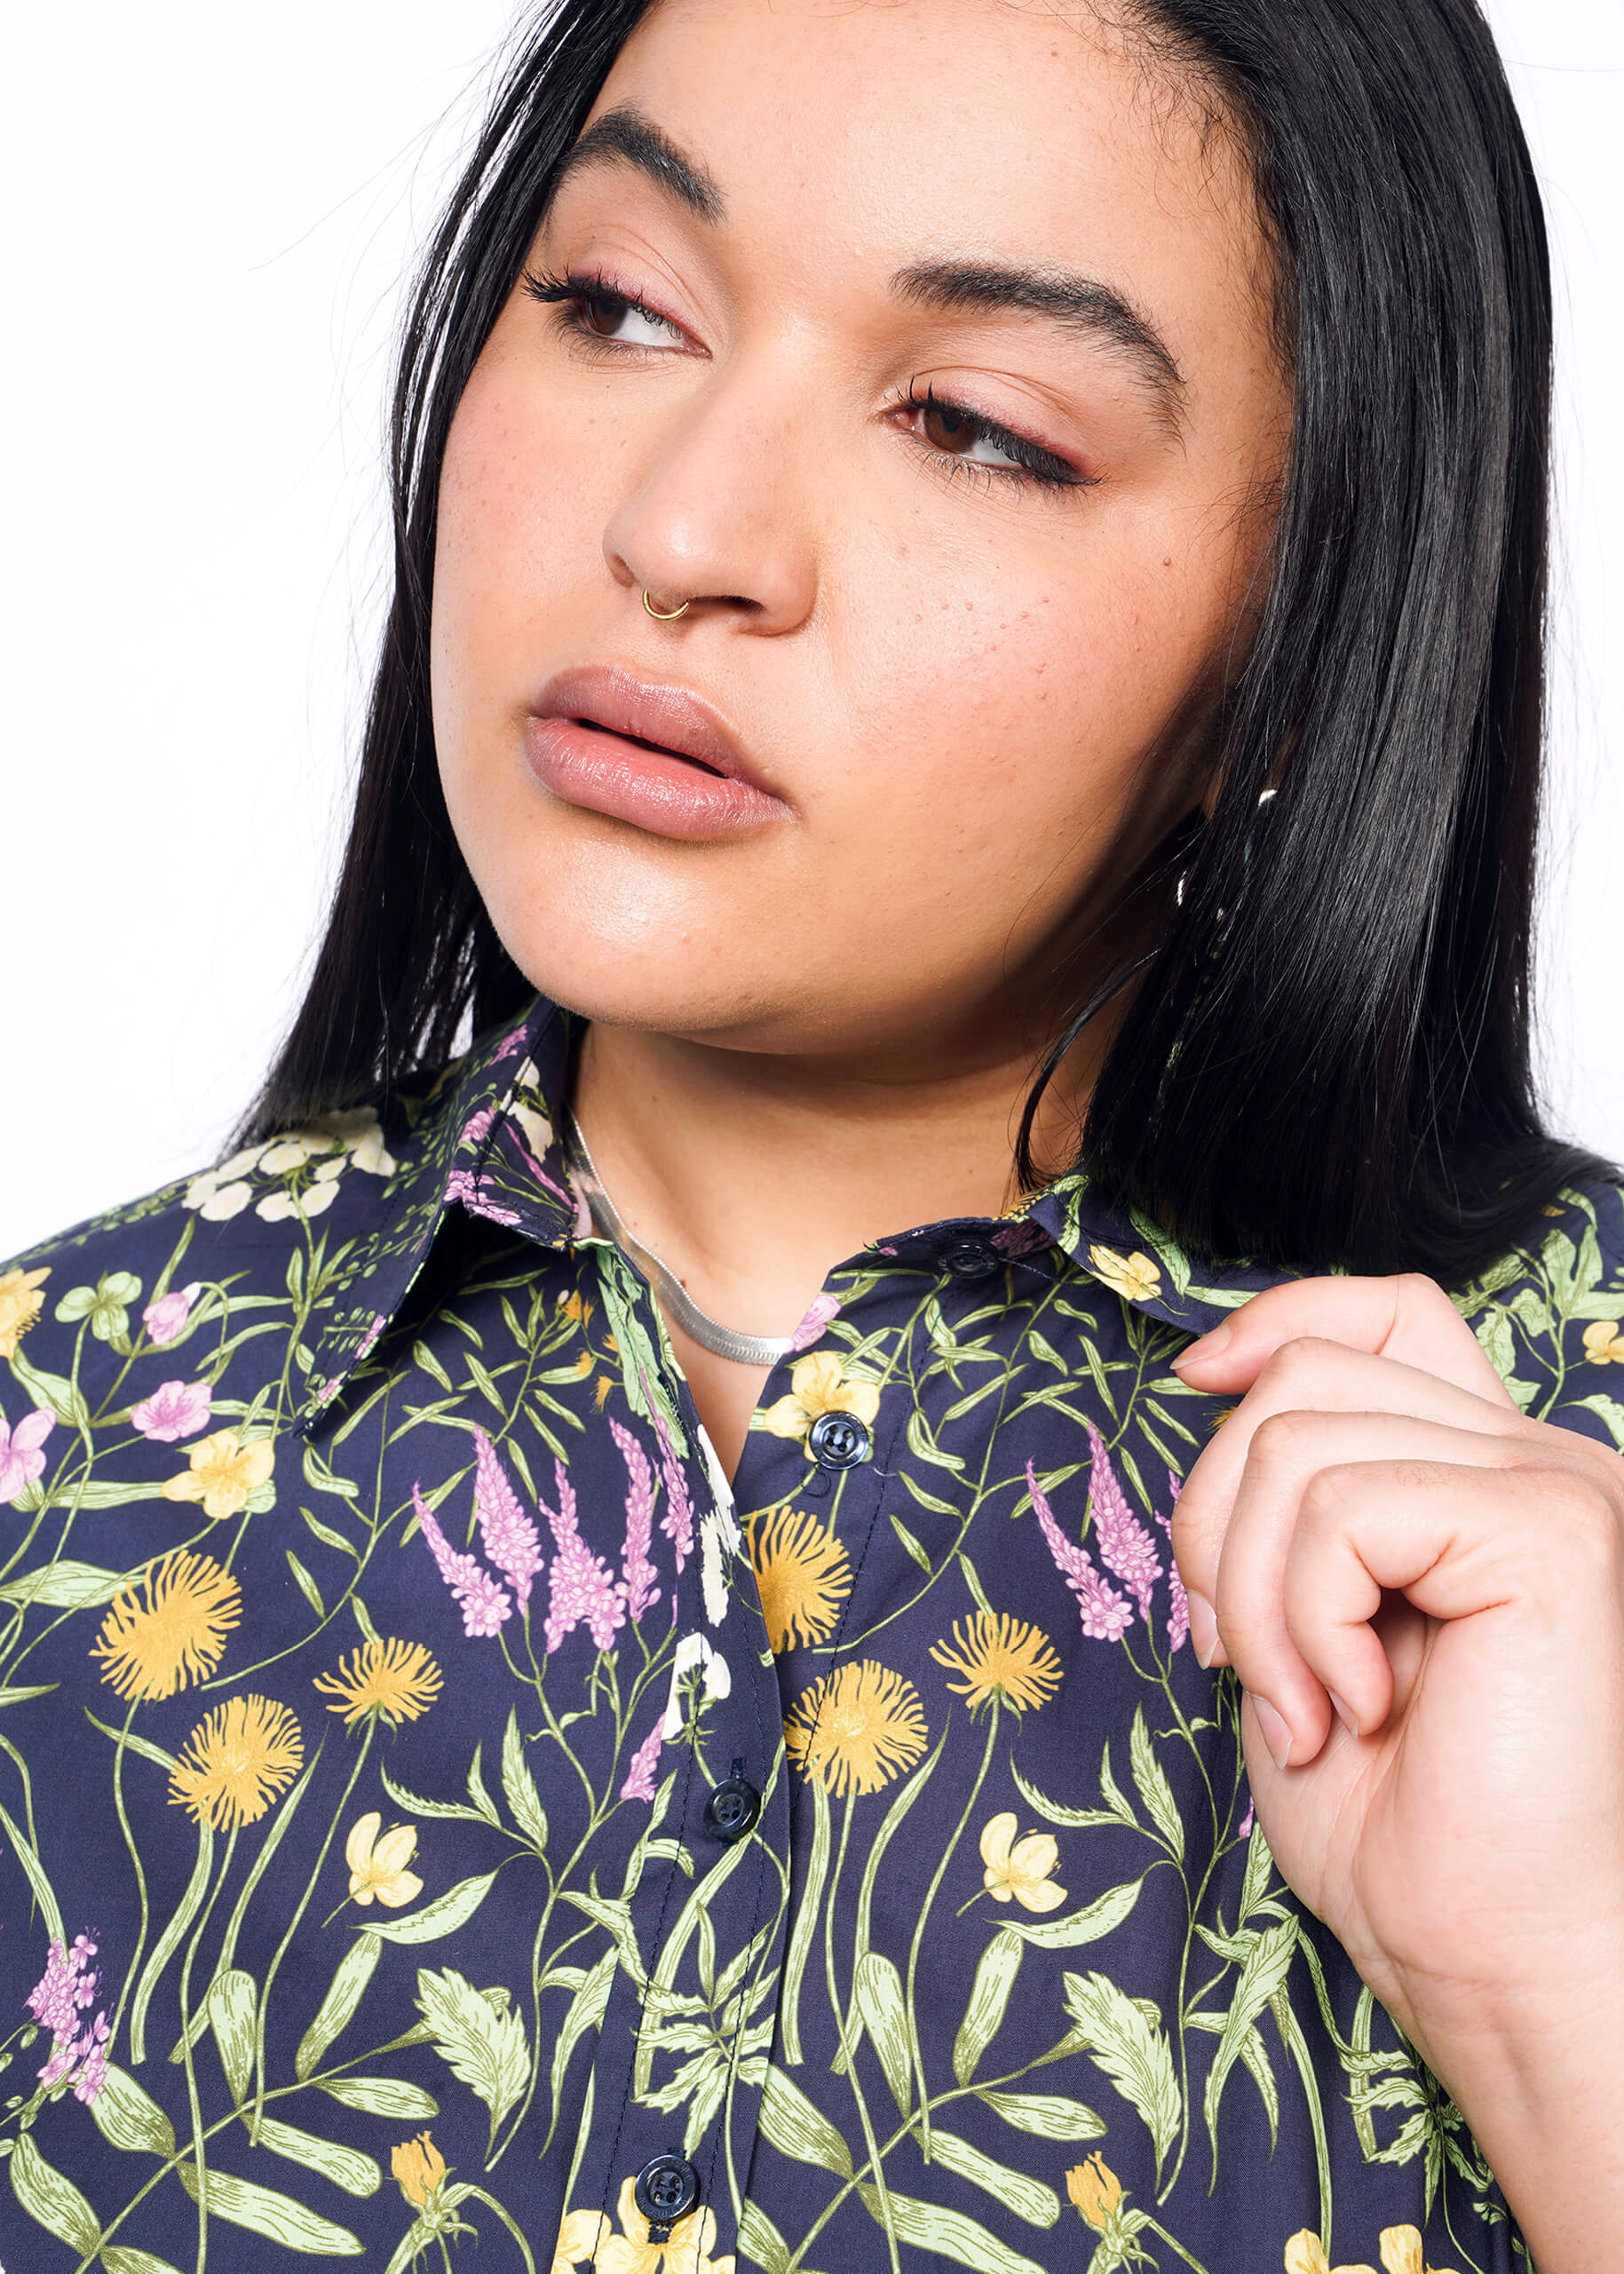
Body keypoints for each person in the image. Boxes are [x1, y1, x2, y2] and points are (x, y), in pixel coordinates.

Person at [1, 1, 1619, 2268]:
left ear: (1307, 634)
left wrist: (1570, 2010)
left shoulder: (1579, 1493)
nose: (683, 533)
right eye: (615, 305)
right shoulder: (51, 1441)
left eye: (971, 424)